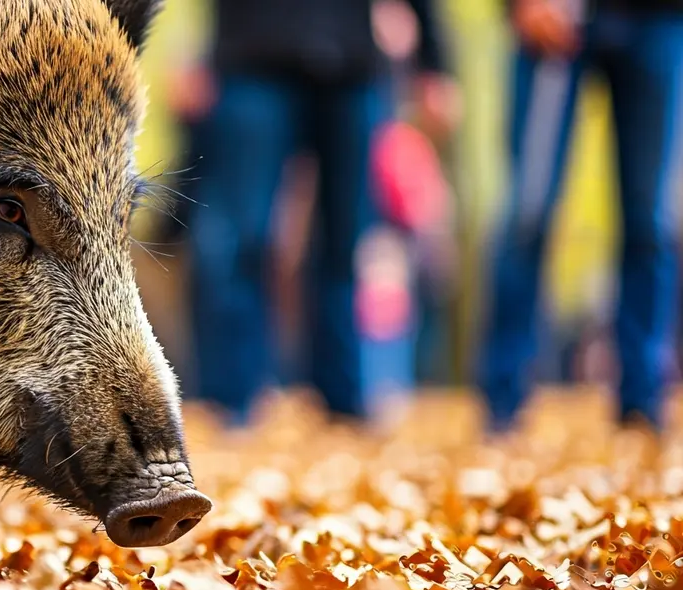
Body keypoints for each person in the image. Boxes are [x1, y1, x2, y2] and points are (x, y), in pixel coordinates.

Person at [174, 0, 460, 426]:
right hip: (252, 56)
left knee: (349, 239)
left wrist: (434, 63)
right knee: (242, 238)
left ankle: (344, 398)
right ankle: (232, 398)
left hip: (353, 61)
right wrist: (193, 52)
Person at [478, 0, 683, 432]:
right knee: (529, 214)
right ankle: (502, 396)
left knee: (652, 222)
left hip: (660, 20)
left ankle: (644, 401)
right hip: (557, 13)